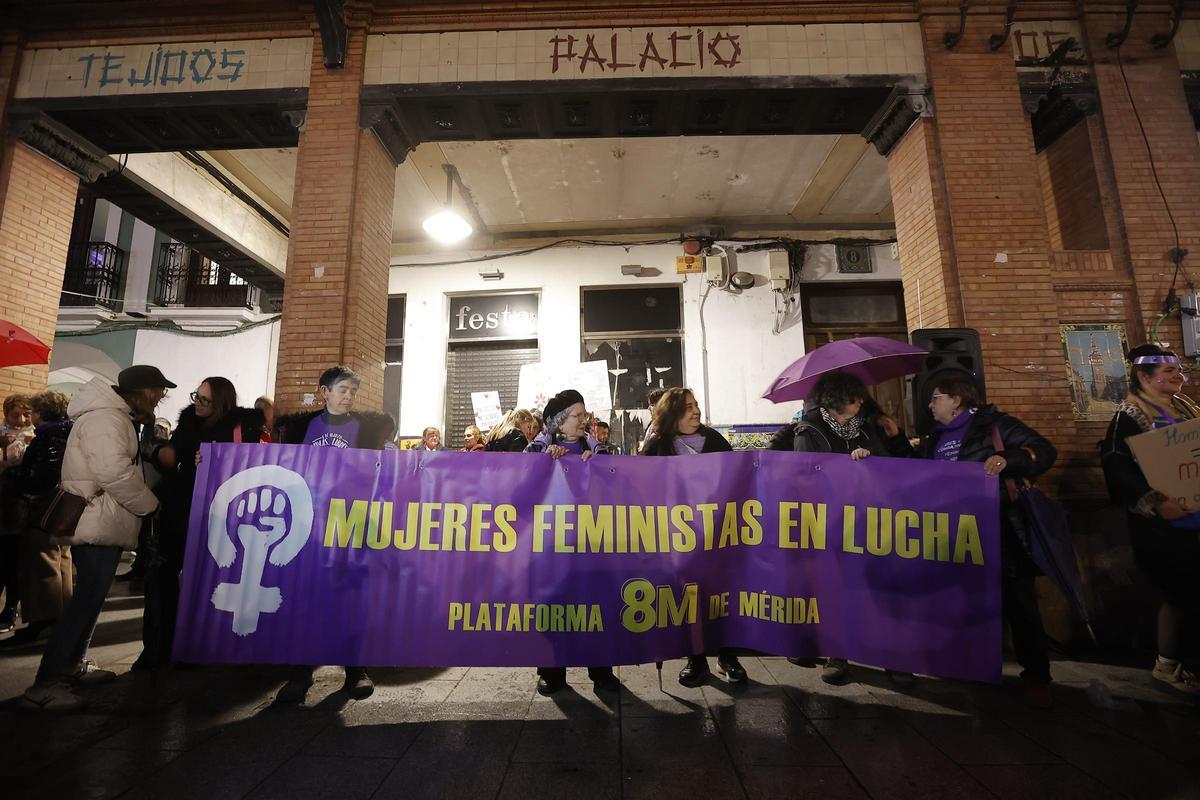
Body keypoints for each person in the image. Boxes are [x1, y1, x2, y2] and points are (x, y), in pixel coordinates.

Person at [20, 366, 171, 711]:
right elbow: (113, 472)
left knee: (91, 597)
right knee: (85, 600)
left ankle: (71, 666)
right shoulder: (107, 419)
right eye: (159, 392)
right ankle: (45, 684)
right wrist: (151, 505)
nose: (161, 398)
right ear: (144, 391)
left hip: (103, 518)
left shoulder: (112, 416)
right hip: (97, 519)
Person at [919, 370, 1057, 706]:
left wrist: (1008, 459)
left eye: (936, 397)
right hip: (954, 533)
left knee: (1018, 603)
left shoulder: (995, 425)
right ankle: (974, 663)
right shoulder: (931, 439)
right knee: (965, 601)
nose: (930, 405)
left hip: (1001, 530)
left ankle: (1036, 674)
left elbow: (1044, 451)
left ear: (957, 399)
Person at [770, 371, 912, 684]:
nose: (861, 402)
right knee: (838, 590)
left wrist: (885, 446)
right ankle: (839, 654)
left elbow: (897, 467)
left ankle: (891, 655)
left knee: (879, 589)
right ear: (835, 401)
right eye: (853, 397)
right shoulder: (808, 430)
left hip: (871, 520)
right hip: (831, 525)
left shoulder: (871, 427)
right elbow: (806, 474)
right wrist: (847, 465)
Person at [274, 366, 393, 702]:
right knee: (303, 598)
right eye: (342, 389)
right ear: (323, 392)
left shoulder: (366, 430)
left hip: (350, 523)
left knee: (351, 597)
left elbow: (382, 473)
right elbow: (269, 463)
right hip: (307, 523)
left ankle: (355, 670)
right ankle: (299, 671)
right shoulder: (299, 428)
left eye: (352, 391)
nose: (348, 396)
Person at [137, 377, 266, 669]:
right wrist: (161, 454)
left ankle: (202, 646)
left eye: (205, 399)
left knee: (207, 583)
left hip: (218, 517)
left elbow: (253, 466)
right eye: (197, 396)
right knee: (162, 579)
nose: (198, 402)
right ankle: (159, 648)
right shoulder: (187, 422)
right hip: (179, 510)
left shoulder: (243, 426)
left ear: (221, 403)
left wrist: (217, 462)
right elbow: (174, 458)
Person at [1101, 344, 1200, 695]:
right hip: (1164, 527)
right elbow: (1117, 468)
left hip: (1196, 516)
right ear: (1144, 376)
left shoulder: (1185, 407)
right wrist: (1157, 501)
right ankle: (1172, 665)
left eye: (1179, 371)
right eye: (1168, 371)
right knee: (1183, 593)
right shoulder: (1128, 416)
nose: (1178, 376)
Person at [641, 387, 746, 686]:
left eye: (696, 404)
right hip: (679, 542)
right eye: (687, 407)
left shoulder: (714, 441)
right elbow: (641, 489)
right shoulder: (658, 446)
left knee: (721, 598)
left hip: (717, 538)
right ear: (672, 412)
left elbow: (739, 480)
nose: (695, 411)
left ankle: (728, 657)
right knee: (689, 601)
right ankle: (696, 660)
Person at [526, 388, 620, 695]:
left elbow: (616, 481)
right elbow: (521, 476)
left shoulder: (598, 450)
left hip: (591, 544)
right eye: (576, 416)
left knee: (594, 604)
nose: (583, 421)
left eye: (584, 415)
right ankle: (552, 671)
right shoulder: (541, 448)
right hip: (553, 545)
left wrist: (598, 464)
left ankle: (602, 672)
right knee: (554, 605)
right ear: (559, 422)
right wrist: (544, 460)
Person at [1, 391, 74, 649]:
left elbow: (40, 479)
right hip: (62, 510)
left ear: (41, 412)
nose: (28, 416)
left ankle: (43, 621)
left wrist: (13, 474)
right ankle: (59, 619)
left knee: (42, 564)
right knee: (60, 560)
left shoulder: (50, 436)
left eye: (31, 411)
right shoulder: (67, 432)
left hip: (43, 510)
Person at [0, 393, 34, 632]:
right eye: (15, 415)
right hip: (2, 499)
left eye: (26, 414)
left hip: (19, 505)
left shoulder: (38, 436)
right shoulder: (1, 434)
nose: (21, 419)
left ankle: (11, 608)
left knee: (13, 559)